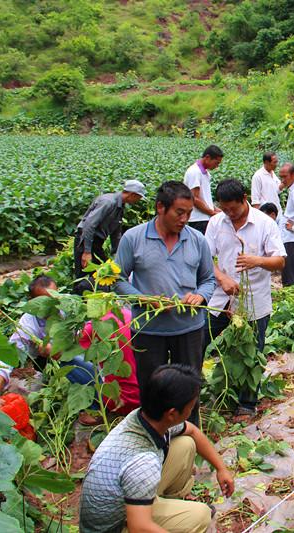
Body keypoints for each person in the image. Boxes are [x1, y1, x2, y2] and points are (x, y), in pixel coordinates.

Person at [80, 364, 235, 533]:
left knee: (186, 444)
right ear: (172, 414)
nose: (193, 409)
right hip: (117, 526)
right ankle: (172, 516)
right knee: (201, 515)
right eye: (191, 405)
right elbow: (139, 527)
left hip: (126, 501)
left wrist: (221, 468)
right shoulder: (143, 462)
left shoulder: (144, 417)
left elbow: (192, 431)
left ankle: (171, 503)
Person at [114, 181, 216, 427]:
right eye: (179, 213)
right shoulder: (134, 238)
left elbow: (208, 279)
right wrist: (142, 298)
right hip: (148, 330)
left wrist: (200, 296)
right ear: (161, 207)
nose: (184, 219)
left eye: (189, 214)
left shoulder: (197, 240)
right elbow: (116, 279)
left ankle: (188, 440)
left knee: (189, 390)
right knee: (151, 391)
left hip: (189, 329)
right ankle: (153, 441)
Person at [203, 179, 286, 416]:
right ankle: (213, 390)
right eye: (224, 209)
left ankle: (247, 404)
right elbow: (206, 259)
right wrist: (222, 278)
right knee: (201, 339)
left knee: (252, 351)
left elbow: (280, 261)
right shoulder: (216, 222)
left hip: (253, 301)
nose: (229, 213)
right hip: (221, 300)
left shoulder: (264, 224)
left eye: (233, 209)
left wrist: (256, 260)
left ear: (245, 199)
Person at [0, 275, 97, 406]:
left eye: (55, 298)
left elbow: (89, 333)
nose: (54, 305)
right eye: (46, 302)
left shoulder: (70, 307)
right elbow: (6, 360)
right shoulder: (28, 323)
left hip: (80, 357)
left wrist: (60, 350)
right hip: (46, 367)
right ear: (33, 302)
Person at [74, 180, 146, 294]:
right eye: (138, 197)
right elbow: (89, 225)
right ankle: (76, 300)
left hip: (97, 242)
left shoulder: (120, 206)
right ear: (132, 195)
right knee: (84, 273)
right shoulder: (108, 202)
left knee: (104, 271)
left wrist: (117, 254)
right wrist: (86, 251)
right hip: (85, 240)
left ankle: (90, 297)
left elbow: (115, 233)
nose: (138, 201)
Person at [78, 307, 141, 416]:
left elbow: (59, 352)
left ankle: (94, 410)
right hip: (144, 396)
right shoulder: (129, 313)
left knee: (67, 360)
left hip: (121, 401)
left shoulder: (94, 326)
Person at [184, 145, 223, 234]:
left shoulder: (205, 174)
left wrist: (217, 210)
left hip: (205, 217)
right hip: (198, 219)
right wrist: (212, 213)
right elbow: (195, 198)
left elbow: (205, 198)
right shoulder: (194, 172)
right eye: (216, 163)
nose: (217, 166)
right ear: (207, 157)